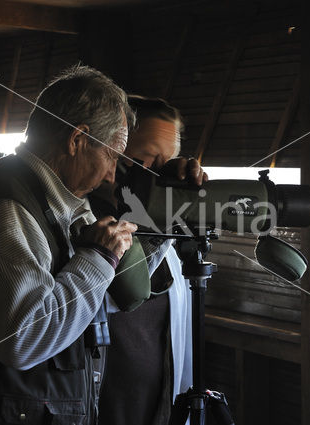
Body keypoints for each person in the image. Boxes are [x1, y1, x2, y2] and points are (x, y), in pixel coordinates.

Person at [0, 66, 202, 425]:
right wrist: (98, 257)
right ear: (77, 139)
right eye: (113, 155)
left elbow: (99, 300)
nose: (114, 173)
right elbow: (24, 339)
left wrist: (166, 214)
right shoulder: (5, 210)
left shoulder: (57, 201)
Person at [89, 95, 206, 425]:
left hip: (159, 405)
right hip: (101, 408)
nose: (158, 176)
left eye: (166, 164)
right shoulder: (86, 226)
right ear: (111, 152)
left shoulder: (165, 234)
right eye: (145, 161)